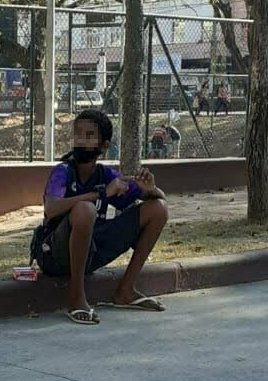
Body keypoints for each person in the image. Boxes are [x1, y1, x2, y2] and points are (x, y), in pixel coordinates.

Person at [30, 109, 168, 325]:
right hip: (55, 254)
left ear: (103, 146)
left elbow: (156, 198)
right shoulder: (63, 171)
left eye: (88, 136)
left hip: (91, 251)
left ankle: (126, 291)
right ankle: (76, 298)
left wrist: (150, 189)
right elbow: (52, 209)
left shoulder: (106, 175)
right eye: (77, 134)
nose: (80, 141)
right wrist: (101, 193)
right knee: (86, 210)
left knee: (159, 209)